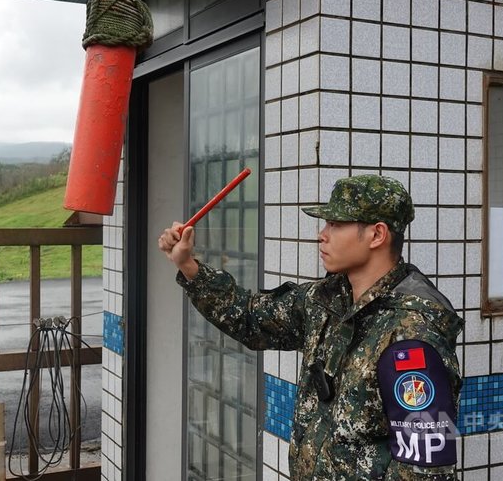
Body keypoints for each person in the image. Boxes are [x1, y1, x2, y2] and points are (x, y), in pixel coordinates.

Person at [158, 174, 464, 480]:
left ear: (377, 235)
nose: (322, 234)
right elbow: (251, 317)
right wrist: (188, 265)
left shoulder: (412, 332)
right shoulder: (327, 300)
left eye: (336, 224)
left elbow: (425, 470)